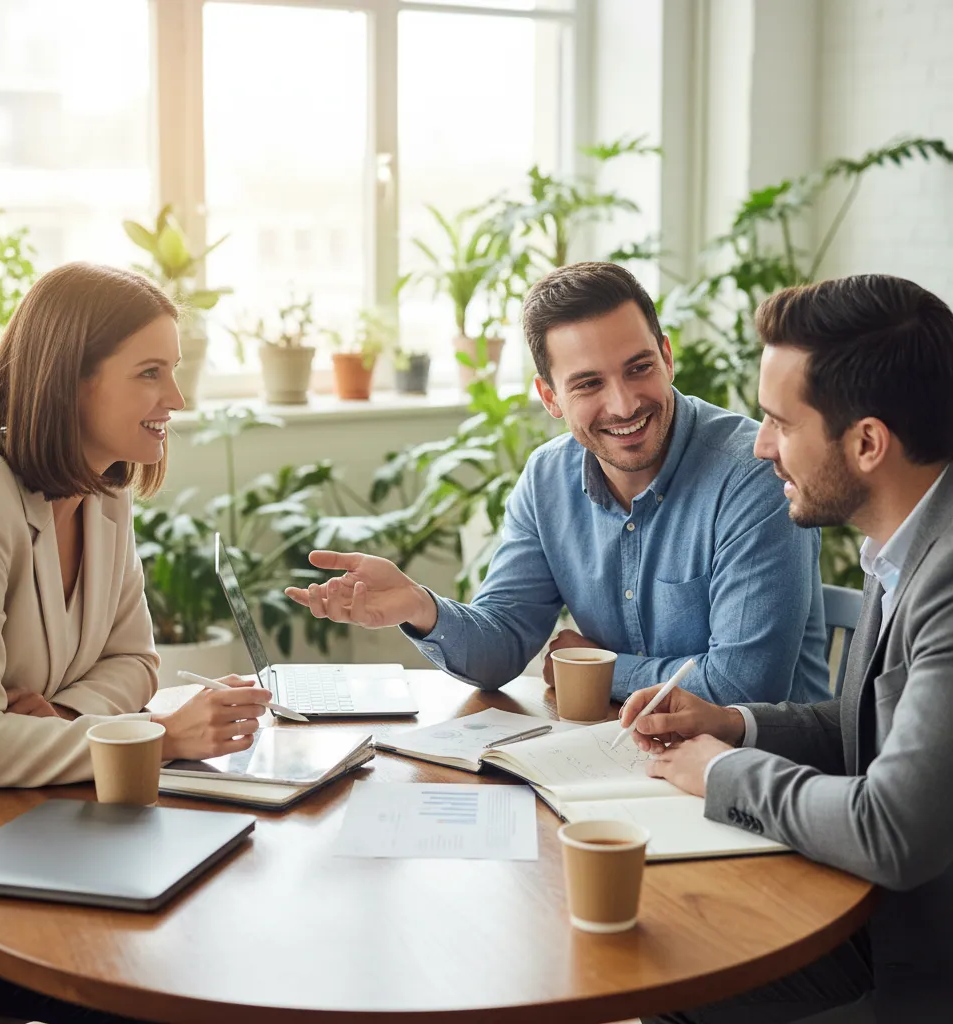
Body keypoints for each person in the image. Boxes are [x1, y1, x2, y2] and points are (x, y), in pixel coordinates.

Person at [0, 263, 270, 1023]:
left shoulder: (105, 495)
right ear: (69, 381)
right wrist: (150, 737)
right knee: (168, 992)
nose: (175, 400)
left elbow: (135, 662)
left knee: (225, 937)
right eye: (151, 373)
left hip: (35, 832)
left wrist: (55, 719)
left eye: (173, 372)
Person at [621, 274, 953, 1023]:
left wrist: (723, 773)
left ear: (867, 442)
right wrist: (731, 726)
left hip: (921, 971)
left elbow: (892, 829)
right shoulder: (903, 544)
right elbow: (860, 729)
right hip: (879, 923)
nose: (761, 445)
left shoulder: (948, 577)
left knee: (670, 981)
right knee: (663, 964)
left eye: (779, 421)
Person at [286, 262, 830, 707]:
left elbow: (742, 687)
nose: (623, 404)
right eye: (588, 383)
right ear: (550, 398)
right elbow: (502, 646)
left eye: (639, 368)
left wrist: (599, 669)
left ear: (667, 357)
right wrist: (418, 606)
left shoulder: (754, 474)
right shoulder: (548, 478)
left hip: (756, 779)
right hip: (619, 759)